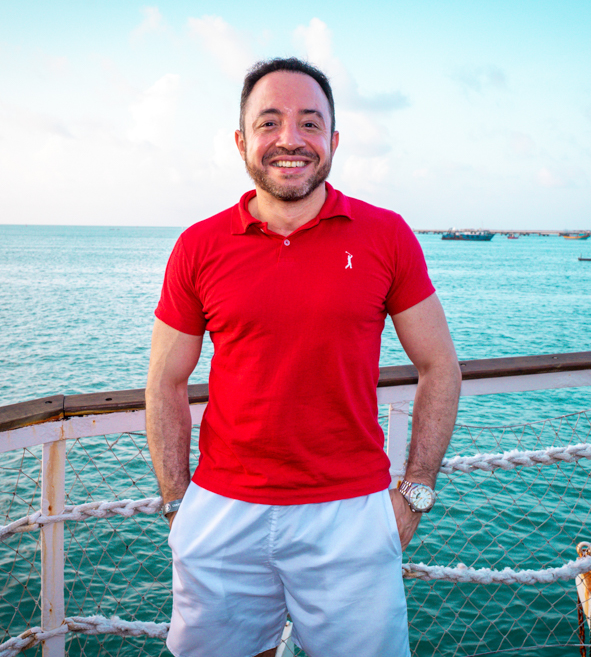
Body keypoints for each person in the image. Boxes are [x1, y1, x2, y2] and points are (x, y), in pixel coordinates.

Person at [145, 57, 461, 657]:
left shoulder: (386, 235)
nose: (290, 139)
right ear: (241, 142)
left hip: (351, 513)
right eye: (269, 122)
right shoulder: (198, 246)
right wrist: (178, 504)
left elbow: (440, 366)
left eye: (310, 123)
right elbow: (165, 381)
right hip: (222, 510)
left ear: (334, 141)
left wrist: (416, 489)